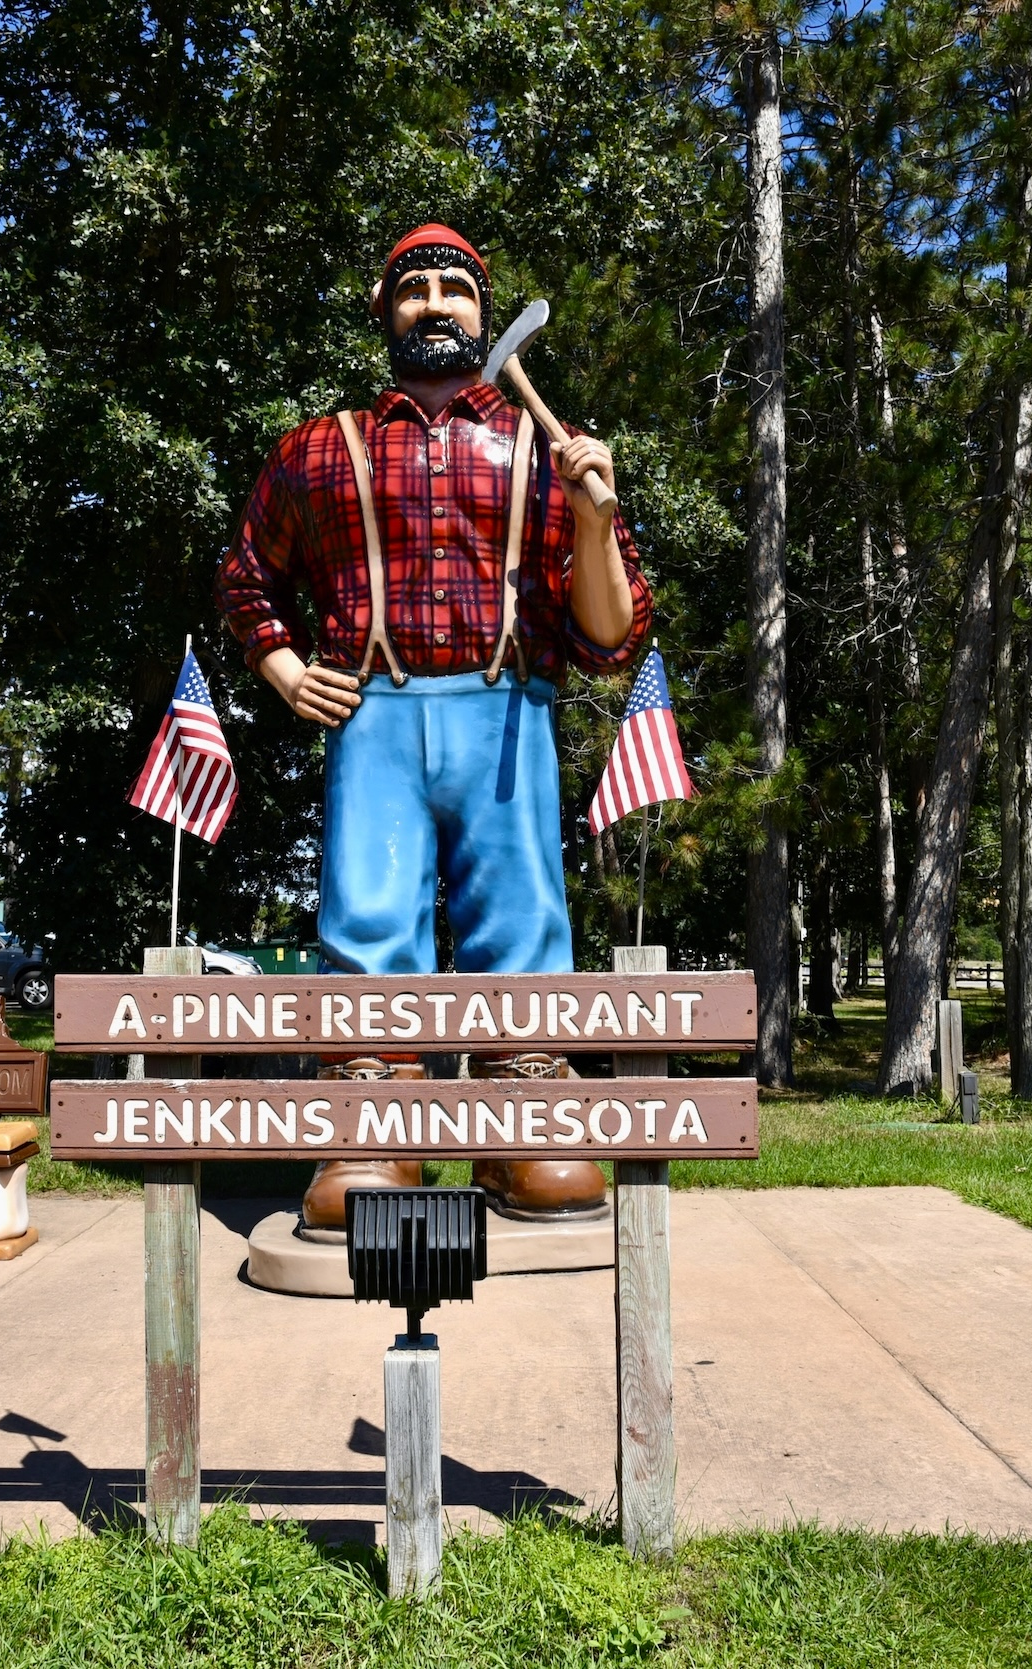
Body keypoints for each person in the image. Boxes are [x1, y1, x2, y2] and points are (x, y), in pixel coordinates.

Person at [217, 224, 650, 1228]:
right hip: (374, 714)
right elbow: (248, 574)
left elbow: (609, 634)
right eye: (416, 290)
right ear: (385, 310)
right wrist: (283, 670)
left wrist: (593, 524)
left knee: (522, 912)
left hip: (508, 712)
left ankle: (526, 1111)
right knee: (369, 920)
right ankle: (372, 1121)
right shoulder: (320, 447)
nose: (437, 305)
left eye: (457, 289)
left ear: (485, 314)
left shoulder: (552, 451)